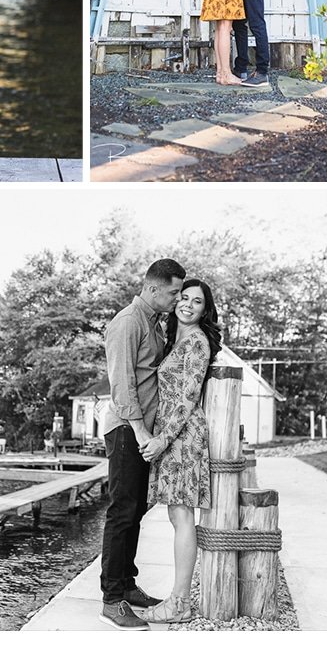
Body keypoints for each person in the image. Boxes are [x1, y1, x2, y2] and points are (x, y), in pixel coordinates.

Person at [98, 258, 186, 631]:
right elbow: (121, 384)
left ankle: (127, 584)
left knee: (135, 511)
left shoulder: (153, 323)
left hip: (141, 430)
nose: (177, 299)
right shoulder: (128, 323)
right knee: (122, 511)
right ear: (152, 288)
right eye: (173, 292)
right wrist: (139, 431)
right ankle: (111, 599)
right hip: (126, 429)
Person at [137, 279, 219, 624]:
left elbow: (186, 400)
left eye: (196, 301)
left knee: (182, 516)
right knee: (176, 516)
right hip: (173, 435)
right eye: (183, 298)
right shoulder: (176, 339)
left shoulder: (197, 342)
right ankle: (178, 601)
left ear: (205, 309)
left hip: (182, 436)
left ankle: (179, 604)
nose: (186, 304)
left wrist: (161, 440)